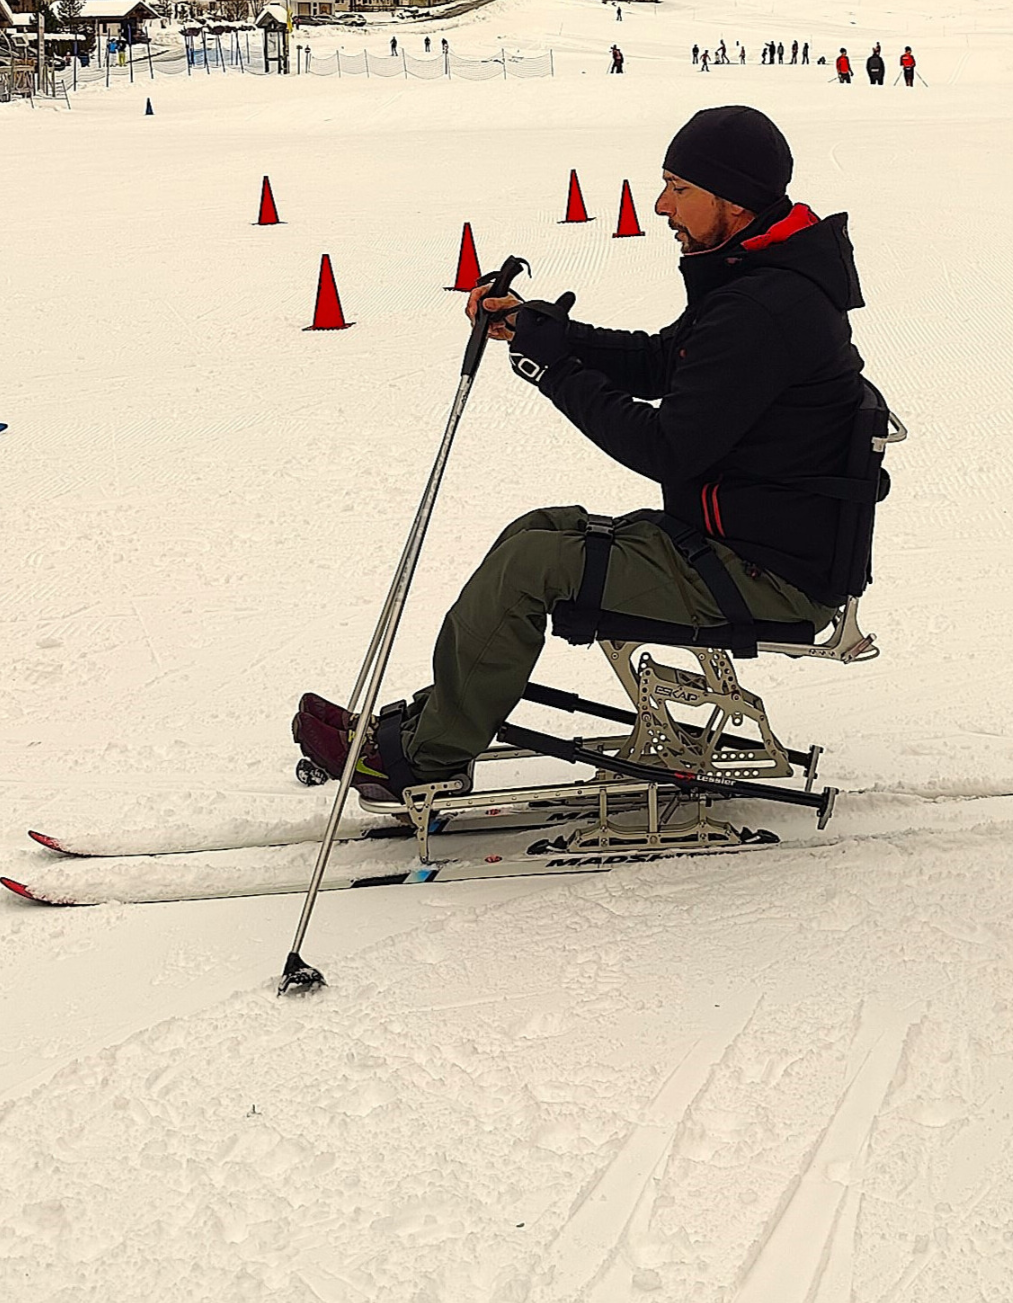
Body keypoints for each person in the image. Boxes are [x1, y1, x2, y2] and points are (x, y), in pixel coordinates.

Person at [292, 108, 867, 799]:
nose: (660, 206)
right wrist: (549, 331)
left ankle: (424, 760)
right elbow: (666, 362)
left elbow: (667, 448)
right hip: (739, 539)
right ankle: (433, 723)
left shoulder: (763, 306)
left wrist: (554, 369)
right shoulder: (756, 277)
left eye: (678, 187)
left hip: (763, 570)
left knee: (534, 566)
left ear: (733, 199)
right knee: (536, 532)